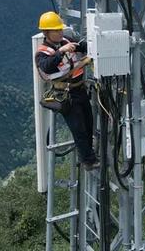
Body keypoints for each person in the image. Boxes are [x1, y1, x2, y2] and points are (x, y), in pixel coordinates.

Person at [35, 11, 99, 169]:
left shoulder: (66, 40)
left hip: (80, 89)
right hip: (66, 95)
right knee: (79, 128)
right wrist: (62, 51)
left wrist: (93, 46)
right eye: (56, 30)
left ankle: (85, 155)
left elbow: (82, 46)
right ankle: (88, 160)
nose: (60, 32)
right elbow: (47, 67)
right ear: (46, 33)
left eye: (60, 29)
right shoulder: (42, 52)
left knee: (88, 123)